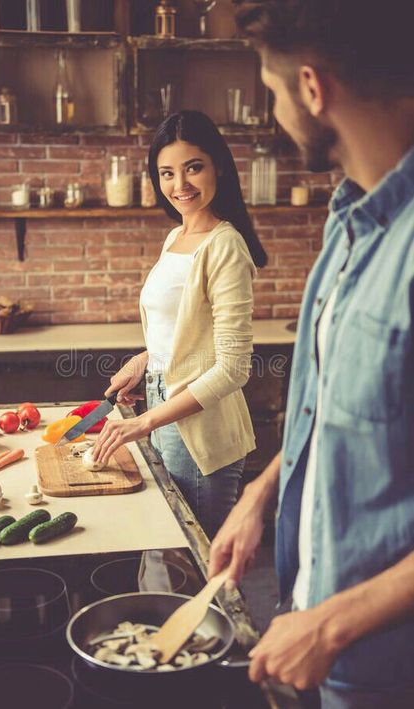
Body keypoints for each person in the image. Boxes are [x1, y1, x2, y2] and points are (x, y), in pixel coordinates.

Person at [209, 1, 414, 707]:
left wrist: (328, 625)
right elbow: (336, 409)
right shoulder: (349, 221)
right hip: (320, 643)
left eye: (270, 92)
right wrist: (260, 493)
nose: (274, 113)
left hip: (388, 669)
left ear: (311, 87)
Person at [92, 110, 267, 539]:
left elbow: (232, 368)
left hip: (200, 432)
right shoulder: (176, 237)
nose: (180, 185)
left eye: (193, 168)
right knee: (164, 553)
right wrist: (146, 361)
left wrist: (143, 423)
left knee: (196, 567)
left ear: (218, 167)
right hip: (162, 409)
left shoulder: (225, 246)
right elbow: (184, 332)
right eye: (166, 173)